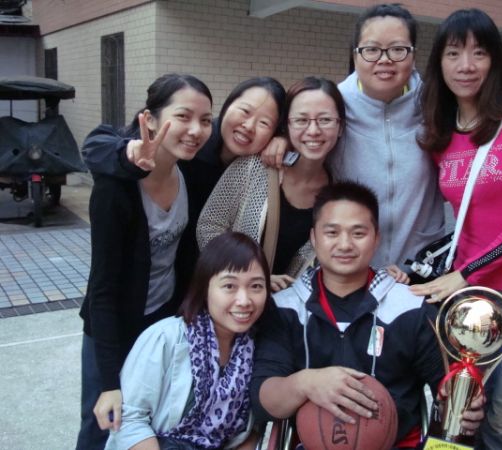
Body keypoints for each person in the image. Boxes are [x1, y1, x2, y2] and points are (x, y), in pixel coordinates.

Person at [411, 9, 502, 450]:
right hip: (471, 300)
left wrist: (465, 273)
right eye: (454, 53)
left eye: (479, 53)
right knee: (461, 416)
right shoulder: (440, 132)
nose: (466, 65)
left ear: (495, 60)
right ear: (439, 63)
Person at [250, 181, 483, 449]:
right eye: (332, 232)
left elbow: (450, 388)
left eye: (358, 233)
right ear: (313, 238)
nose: (345, 244)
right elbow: (263, 400)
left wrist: (466, 407)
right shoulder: (285, 309)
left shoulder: (410, 307)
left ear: (376, 238)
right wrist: (305, 383)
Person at [76, 73, 214, 450]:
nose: (195, 130)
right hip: (113, 324)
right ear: (150, 119)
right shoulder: (116, 188)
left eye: (205, 120)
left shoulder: (193, 173)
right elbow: (102, 287)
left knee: (149, 420)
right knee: (103, 421)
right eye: (183, 116)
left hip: (162, 319)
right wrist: (109, 382)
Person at [262, 4, 445, 271]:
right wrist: (282, 139)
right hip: (347, 270)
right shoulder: (335, 105)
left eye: (397, 49)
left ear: (413, 55)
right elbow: (307, 132)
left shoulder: (436, 106)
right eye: (371, 49)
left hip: (418, 268)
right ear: (355, 55)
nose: (385, 59)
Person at [105, 231, 270, 450]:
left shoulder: (259, 349)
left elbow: (252, 430)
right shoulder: (165, 338)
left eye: (256, 286)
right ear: (205, 288)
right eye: (229, 286)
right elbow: (129, 419)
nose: (244, 300)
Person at [197, 77, 349, 292]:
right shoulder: (254, 167)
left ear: (340, 127)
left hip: (289, 307)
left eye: (325, 120)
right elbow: (209, 226)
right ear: (286, 126)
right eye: (301, 120)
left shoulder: (337, 196)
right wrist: (250, 276)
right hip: (236, 299)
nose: (313, 130)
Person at [82, 76, 286, 213]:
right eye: (245, 111)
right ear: (227, 105)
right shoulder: (191, 141)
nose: (249, 126)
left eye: (264, 123)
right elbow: (97, 144)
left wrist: (285, 141)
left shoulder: (261, 165)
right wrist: (127, 154)